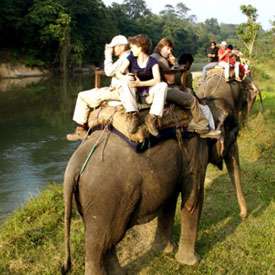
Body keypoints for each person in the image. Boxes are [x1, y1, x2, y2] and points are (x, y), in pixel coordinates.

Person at [151, 38, 221, 138]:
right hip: (164, 89)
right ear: (161, 46)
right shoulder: (161, 60)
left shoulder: (153, 57)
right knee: (196, 102)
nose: (170, 52)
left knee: (187, 91)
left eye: (171, 50)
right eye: (168, 49)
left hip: (157, 88)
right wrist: (173, 63)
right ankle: (205, 129)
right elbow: (171, 80)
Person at [66, 35, 130, 141]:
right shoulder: (128, 56)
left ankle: (81, 129)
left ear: (121, 46)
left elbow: (109, 71)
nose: (113, 49)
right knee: (93, 92)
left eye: (114, 47)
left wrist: (107, 55)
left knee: (81, 95)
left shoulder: (125, 58)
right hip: (119, 89)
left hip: (120, 92)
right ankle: (83, 128)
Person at [116, 34, 168, 136]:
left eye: (133, 47)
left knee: (163, 85)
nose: (131, 49)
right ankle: (134, 115)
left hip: (149, 94)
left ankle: (151, 118)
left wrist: (140, 83)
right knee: (125, 81)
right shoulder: (131, 57)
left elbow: (157, 80)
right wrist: (125, 77)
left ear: (140, 47)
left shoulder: (153, 61)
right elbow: (119, 72)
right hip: (134, 92)